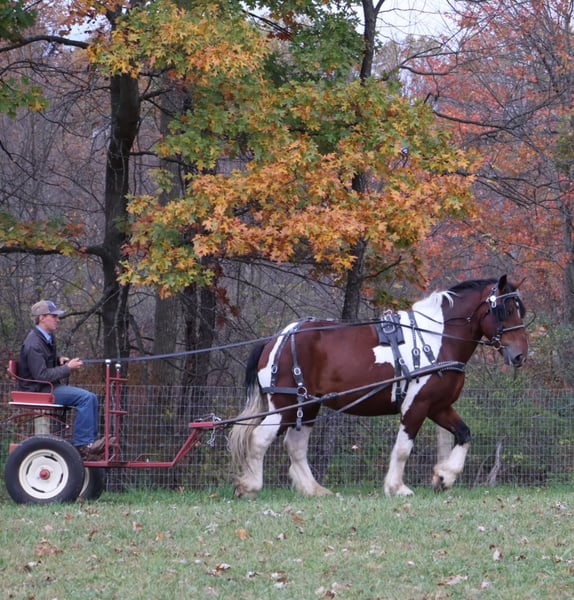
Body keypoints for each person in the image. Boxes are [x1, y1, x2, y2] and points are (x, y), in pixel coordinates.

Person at [18, 299, 108, 460]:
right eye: (54, 316)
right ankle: (83, 446)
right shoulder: (33, 343)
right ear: (41, 318)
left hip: (47, 387)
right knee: (86, 398)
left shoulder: (46, 338)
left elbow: (44, 363)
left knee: (92, 397)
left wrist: (58, 360)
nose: (58, 319)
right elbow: (41, 376)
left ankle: (90, 443)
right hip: (39, 390)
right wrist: (68, 368)